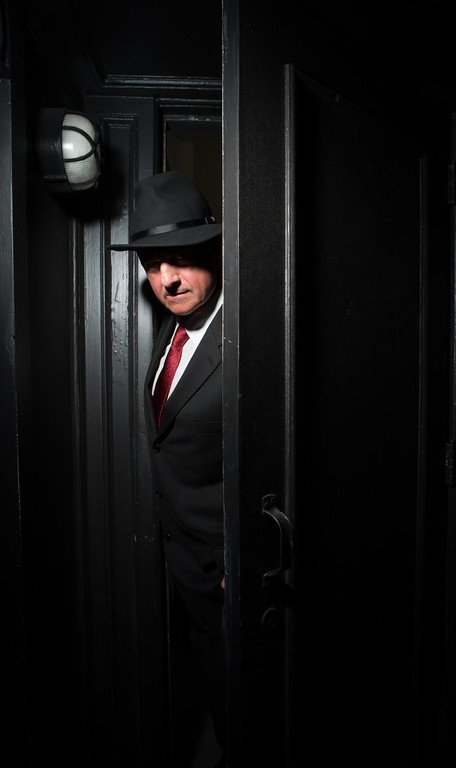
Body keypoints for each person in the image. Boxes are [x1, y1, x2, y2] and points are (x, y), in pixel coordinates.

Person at [110, 171, 225, 767]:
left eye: (180, 259)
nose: (167, 280)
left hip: (229, 577)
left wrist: (240, 562)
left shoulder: (250, 335)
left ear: (214, 250)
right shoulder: (171, 329)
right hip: (183, 565)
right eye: (153, 265)